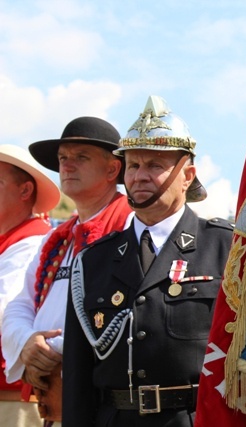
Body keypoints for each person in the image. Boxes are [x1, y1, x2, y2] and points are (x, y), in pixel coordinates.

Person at [62, 95, 233, 427]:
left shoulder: (226, 248)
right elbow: (78, 377)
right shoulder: (93, 261)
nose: (140, 176)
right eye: (133, 165)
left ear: (187, 176)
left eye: (155, 165)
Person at [1, 117, 132, 426]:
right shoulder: (56, 238)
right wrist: (28, 341)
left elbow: (125, 312)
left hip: (101, 405)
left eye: (81, 157)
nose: (67, 166)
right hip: (57, 403)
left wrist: (45, 349)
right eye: (63, 159)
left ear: (113, 169)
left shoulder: (130, 227)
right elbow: (18, 305)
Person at [0, 145, 60, 426]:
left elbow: (4, 310)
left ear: (25, 191)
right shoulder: (15, 240)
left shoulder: (31, 242)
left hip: (11, 398)